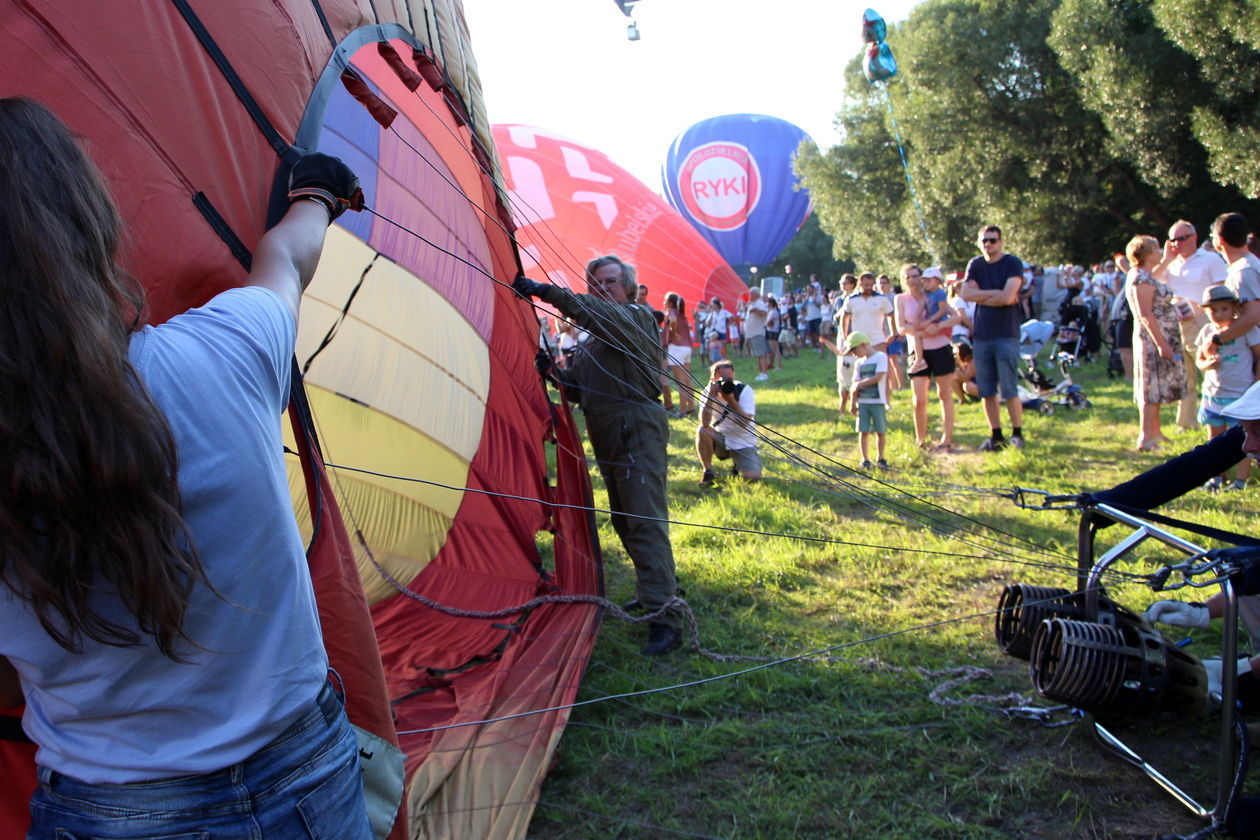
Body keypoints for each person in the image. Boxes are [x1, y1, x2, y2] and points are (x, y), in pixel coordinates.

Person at [0, 100, 371, 837]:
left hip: (111, 808)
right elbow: (288, 259)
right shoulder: (224, 353)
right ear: (90, 224)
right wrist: (318, 195)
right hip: (307, 778)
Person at [513, 257, 682, 656]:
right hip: (609, 432)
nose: (602, 286)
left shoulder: (636, 317)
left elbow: (597, 313)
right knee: (626, 520)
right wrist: (557, 374)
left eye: (610, 281)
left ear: (627, 285)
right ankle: (656, 590)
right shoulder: (592, 340)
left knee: (644, 520)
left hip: (635, 428)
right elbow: (584, 391)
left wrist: (544, 291)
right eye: (596, 282)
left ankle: (667, 618)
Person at [960, 225, 1026, 451]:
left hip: (1006, 334)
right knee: (986, 389)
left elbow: (1008, 297)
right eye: (984, 241)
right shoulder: (975, 265)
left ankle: (1017, 434)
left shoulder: (1012, 263)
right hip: (982, 335)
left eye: (992, 240)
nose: (988, 245)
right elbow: (965, 293)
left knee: (1009, 388)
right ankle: (996, 435)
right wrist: (995, 294)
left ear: (1001, 242)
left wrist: (982, 296)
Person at [1159, 219, 1228, 429]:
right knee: (1183, 374)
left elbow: (1221, 291)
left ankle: (1221, 417)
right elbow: (1149, 280)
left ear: (1194, 238)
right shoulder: (1170, 263)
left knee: (1212, 370)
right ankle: (1186, 422)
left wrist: (1199, 308)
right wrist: (1165, 258)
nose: (1177, 243)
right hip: (1176, 322)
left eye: (1182, 238)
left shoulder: (1210, 259)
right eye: (1173, 240)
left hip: (1203, 322)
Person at [1195, 284, 1260, 490]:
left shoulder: (1247, 330)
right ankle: (1216, 477)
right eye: (1213, 310)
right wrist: (1208, 364)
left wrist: (1255, 386)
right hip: (1214, 393)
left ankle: (1240, 481)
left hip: (1240, 394)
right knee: (1214, 439)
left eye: (1223, 308)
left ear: (1234, 308)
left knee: (1241, 442)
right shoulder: (1207, 331)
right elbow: (1200, 361)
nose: (1218, 314)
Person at [1126, 234, 1186, 451]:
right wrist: (1162, 344)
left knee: (1157, 387)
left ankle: (1155, 432)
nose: (1161, 252)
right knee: (1150, 388)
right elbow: (1146, 314)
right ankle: (1146, 437)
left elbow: (1156, 277)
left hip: (1159, 337)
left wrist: (1168, 259)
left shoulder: (1145, 275)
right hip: (1152, 340)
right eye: (1157, 249)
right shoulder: (1140, 278)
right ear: (1147, 253)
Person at [896, 265, 958, 451]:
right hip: (917, 350)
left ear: (922, 277)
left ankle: (946, 440)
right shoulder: (901, 299)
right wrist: (918, 329)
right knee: (919, 398)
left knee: (944, 394)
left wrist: (939, 326)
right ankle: (921, 439)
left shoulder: (933, 295)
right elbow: (900, 328)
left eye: (916, 276)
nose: (913, 280)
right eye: (908, 277)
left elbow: (956, 317)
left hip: (939, 347)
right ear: (903, 279)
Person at [696, 360, 762, 486]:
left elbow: (744, 423)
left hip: (742, 441)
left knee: (752, 478)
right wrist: (710, 397)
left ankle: (738, 465)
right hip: (720, 438)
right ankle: (708, 471)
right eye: (722, 379)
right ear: (713, 379)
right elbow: (704, 423)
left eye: (729, 378)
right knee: (702, 431)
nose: (726, 382)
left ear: (734, 376)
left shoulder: (743, 390)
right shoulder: (707, 392)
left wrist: (730, 399)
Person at [846, 332, 889, 469]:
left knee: (880, 431)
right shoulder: (859, 363)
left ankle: (880, 458)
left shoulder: (880, 357)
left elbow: (878, 376)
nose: (853, 354)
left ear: (863, 345)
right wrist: (852, 403)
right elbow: (855, 385)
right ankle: (865, 459)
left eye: (854, 350)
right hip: (862, 403)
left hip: (878, 401)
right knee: (863, 431)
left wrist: (861, 384)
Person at [841, 272, 893, 356]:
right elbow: (845, 317)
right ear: (860, 284)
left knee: (881, 366)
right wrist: (845, 336)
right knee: (861, 367)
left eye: (871, 285)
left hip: (878, 340)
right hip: (859, 342)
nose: (869, 287)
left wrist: (892, 333)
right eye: (866, 285)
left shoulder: (881, 298)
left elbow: (891, 315)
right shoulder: (851, 299)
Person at [663, 292, 695, 417]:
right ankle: (691, 407)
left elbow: (672, 320)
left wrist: (673, 331)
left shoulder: (671, 313)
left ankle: (682, 411)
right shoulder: (682, 315)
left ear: (670, 303)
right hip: (687, 348)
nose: (664, 303)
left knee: (680, 382)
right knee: (688, 380)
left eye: (665, 301)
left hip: (676, 348)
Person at [743, 286, 772, 380]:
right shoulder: (752, 304)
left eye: (751, 293)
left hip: (757, 332)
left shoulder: (759, 303)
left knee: (761, 354)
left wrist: (755, 310)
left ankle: (764, 374)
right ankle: (761, 373)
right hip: (752, 333)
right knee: (758, 355)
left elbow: (764, 313)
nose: (749, 295)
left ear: (755, 294)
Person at [765, 295, 783, 370]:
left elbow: (769, 322)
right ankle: (771, 363)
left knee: (776, 349)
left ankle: (779, 366)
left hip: (773, 331)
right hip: (770, 331)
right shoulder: (771, 311)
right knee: (772, 349)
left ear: (770, 304)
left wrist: (765, 324)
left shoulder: (774, 312)